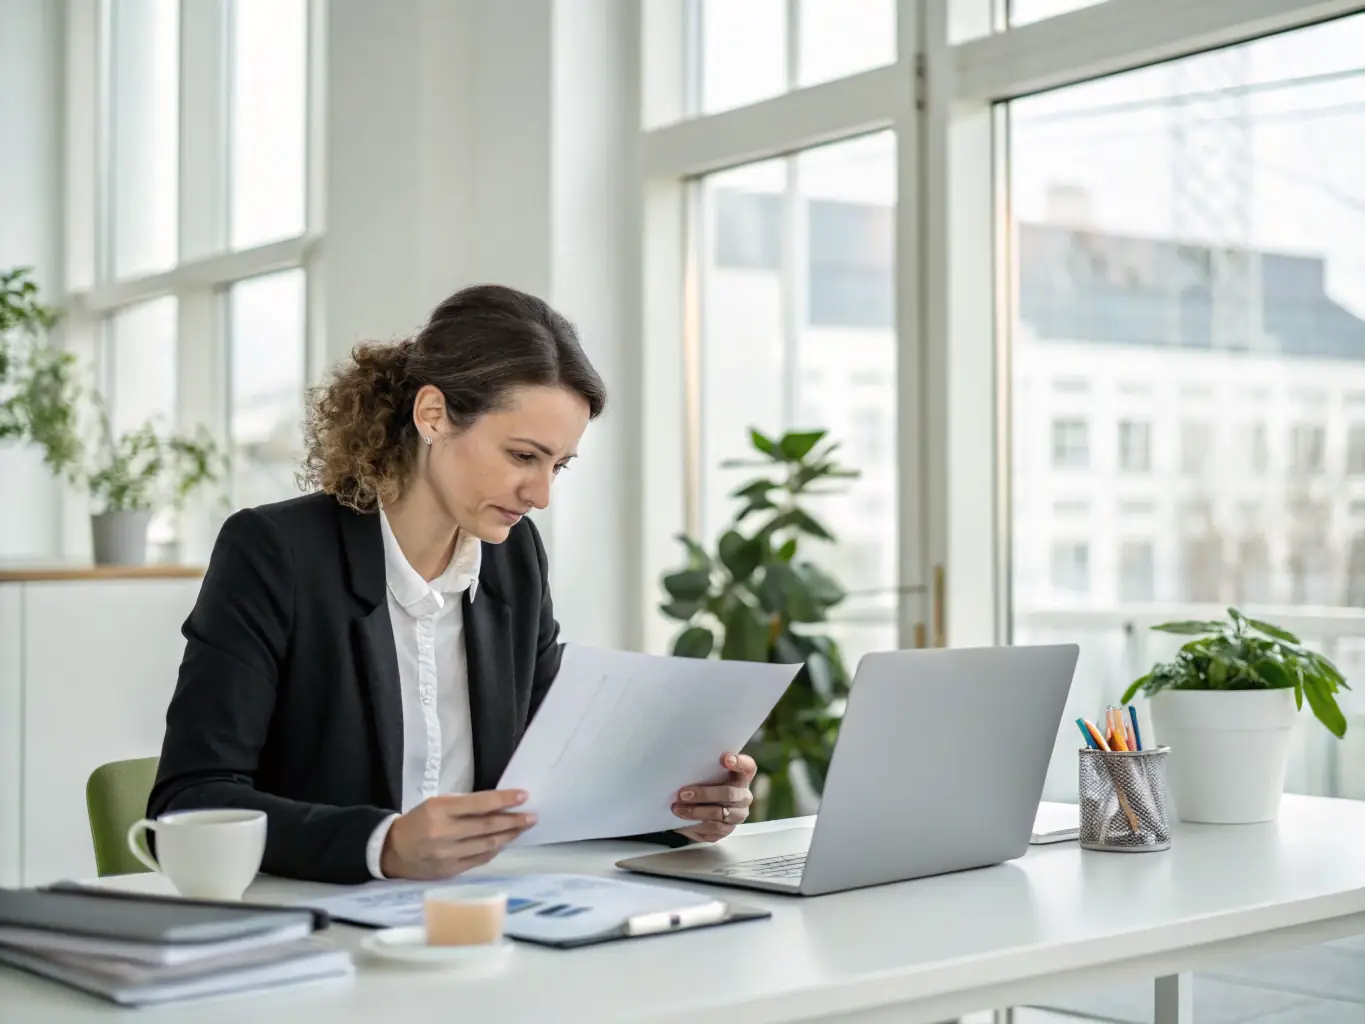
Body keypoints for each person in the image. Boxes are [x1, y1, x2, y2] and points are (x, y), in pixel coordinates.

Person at [148, 284, 757, 884]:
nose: (541, 495)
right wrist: (382, 845)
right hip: (322, 929)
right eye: (523, 456)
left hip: (486, 916)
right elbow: (189, 799)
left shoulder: (513, 558)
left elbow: (554, 774)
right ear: (433, 415)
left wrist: (677, 811)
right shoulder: (276, 552)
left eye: (558, 466)